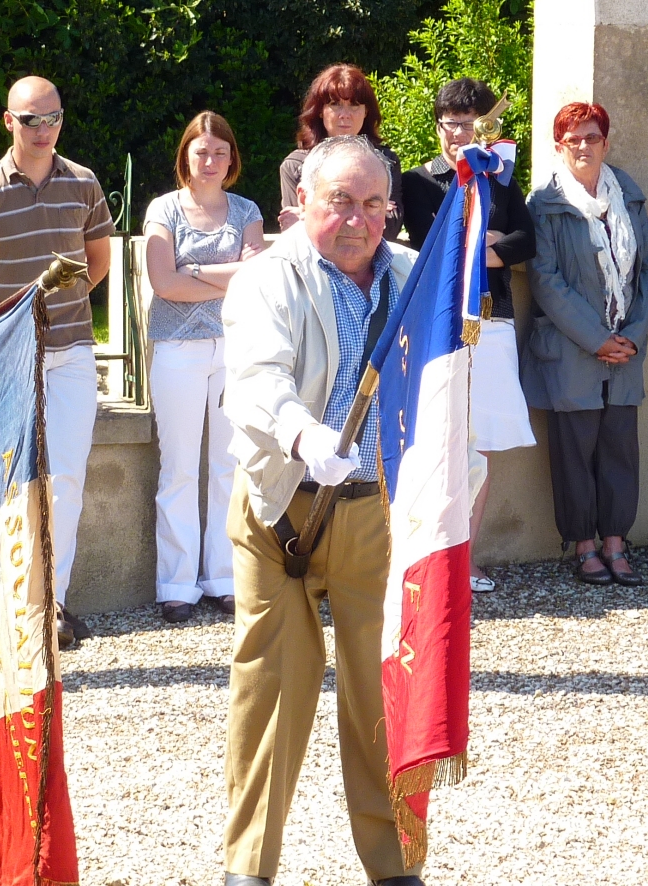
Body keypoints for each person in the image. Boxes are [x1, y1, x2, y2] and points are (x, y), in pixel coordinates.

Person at [221, 135, 421, 886]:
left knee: (383, 694)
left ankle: (397, 864)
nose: (356, 219)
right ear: (301, 200)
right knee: (269, 692)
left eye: (373, 204)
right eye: (339, 200)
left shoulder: (411, 276)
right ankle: (250, 871)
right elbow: (255, 377)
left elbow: (452, 382)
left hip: (376, 509)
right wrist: (304, 432)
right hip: (280, 508)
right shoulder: (266, 277)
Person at [0, 76, 114, 647]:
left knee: (65, 481)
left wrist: (58, 301)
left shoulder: (84, 184)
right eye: (30, 120)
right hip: (4, 359)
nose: (43, 130)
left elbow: (96, 262)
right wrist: (4, 319)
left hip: (70, 352)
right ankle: (3, 603)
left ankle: (52, 605)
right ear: (7, 122)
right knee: (6, 485)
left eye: (52, 118)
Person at [402, 77, 537, 593]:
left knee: (478, 446)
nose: (458, 134)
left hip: (491, 317)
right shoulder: (417, 182)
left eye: (469, 123)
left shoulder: (500, 179)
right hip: (438, 327)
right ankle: (430, 555)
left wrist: (486, 251)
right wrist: (483, 243)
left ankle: (466, 557)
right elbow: (423, 246)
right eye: (450, 123)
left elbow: (527, 241)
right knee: (435, 440)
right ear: (438, 126)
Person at [521, 103, 648, 586]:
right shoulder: (543, 202)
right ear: (558, 145)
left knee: (621, 448)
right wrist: (598, 339)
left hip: (626, 349)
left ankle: (616, 544)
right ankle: (584, 545)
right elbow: (545, 279)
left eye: (592, 136)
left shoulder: (628, 195)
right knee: (574, 452)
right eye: (573, 138)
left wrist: (633, 336)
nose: (583, 145)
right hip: (571, 350)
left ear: (606, 141)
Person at [143, 111, 266, 624]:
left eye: (220, 152)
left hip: (234, 346)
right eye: (201, 152)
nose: (211, 161)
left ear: (232, 158)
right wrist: (223, 275)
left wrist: (193, 269)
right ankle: (175, 583)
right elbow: (163, 284)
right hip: (177, 350)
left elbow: (256, 273)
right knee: (178, 467)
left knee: (228, 466)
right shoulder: (164, 209)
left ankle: (221, 576)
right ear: (186, 157)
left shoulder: (247, 209)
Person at [278, 63, 403, 240]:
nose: (345, 114)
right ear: (320, 111)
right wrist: (373, 212)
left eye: (354, 105)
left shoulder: (386, 162)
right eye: (335, 104)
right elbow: (294, 232)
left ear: (366, 111)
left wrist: (315, 214)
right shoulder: (296, 165)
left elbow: (390, 229)